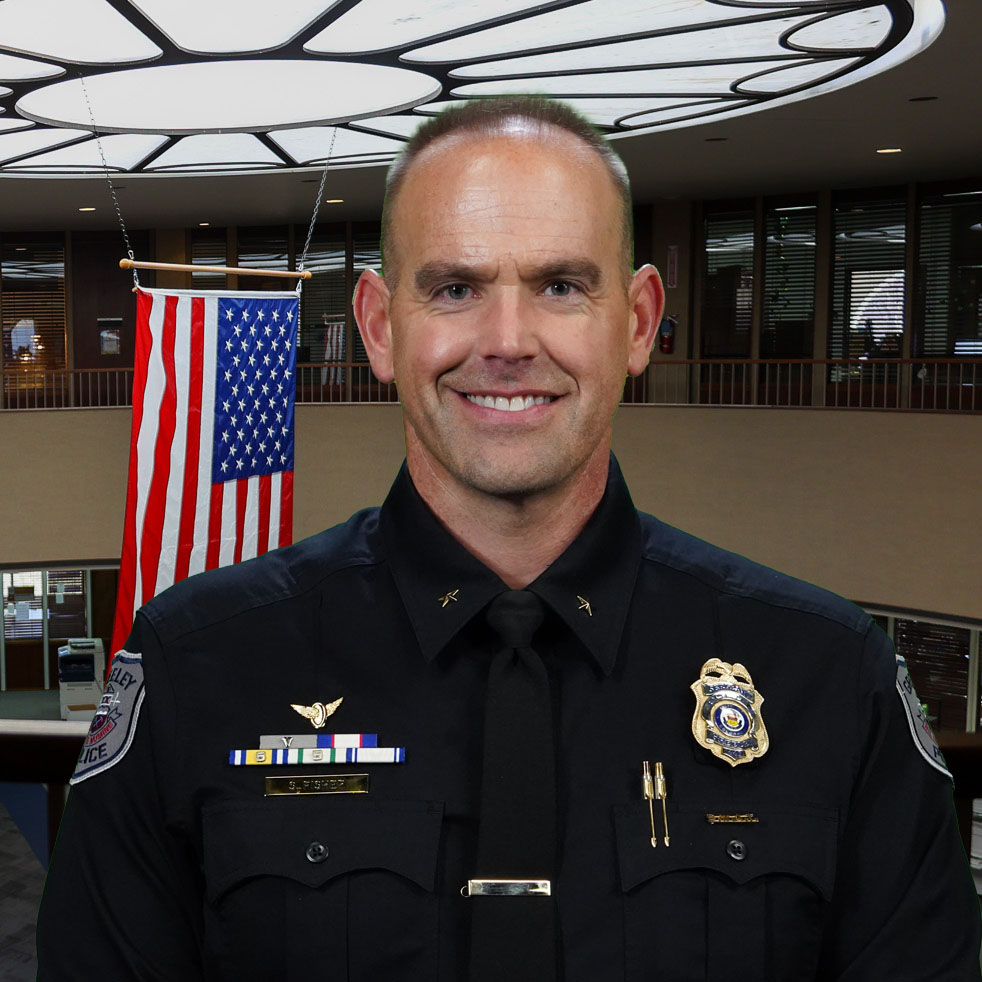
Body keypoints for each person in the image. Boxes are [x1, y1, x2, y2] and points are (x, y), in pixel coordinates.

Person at [37, 96, 980, 981]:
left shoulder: (828, 678)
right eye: (454, 288)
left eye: (561, 285)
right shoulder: (199, 665)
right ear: (377, 326)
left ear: (639, 322)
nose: (507, 340)